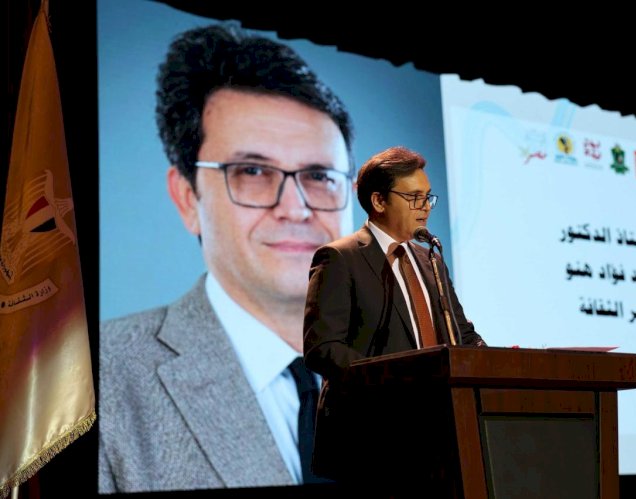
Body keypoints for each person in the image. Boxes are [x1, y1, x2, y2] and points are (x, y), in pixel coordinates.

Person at [98, 23, 354, 492]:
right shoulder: (99, 381)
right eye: (252, 171)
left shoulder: (418, 372)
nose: (296, 208)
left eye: (319, 176)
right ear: (187, 198)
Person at [302, 146, 486, 481]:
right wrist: (395, 380)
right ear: (379, 201)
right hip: (373, 436)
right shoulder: (340, 258)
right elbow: (323, 348)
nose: (425, 207)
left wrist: (493, 363)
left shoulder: (431, 260)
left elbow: (462, 335)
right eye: (414, 197)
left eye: (428, 197)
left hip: (440, 432)